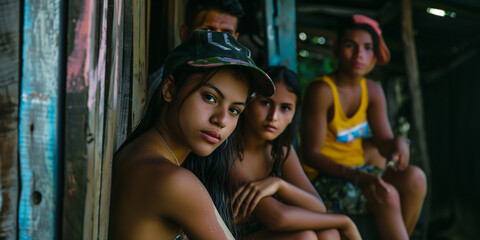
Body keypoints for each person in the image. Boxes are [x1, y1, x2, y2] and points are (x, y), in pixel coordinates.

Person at [109, 30, 275, 240]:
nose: (221, 119)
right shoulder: (175, 181)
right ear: (170, 89)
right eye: (210, 97)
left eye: (234, 110)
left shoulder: (138, 152)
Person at [300, 15, 427, 240]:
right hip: (323, 178)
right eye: (351, 45)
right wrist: (358, 177)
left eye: (368, 48)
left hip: (359, 172)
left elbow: (384, 144)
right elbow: (311, 155)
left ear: (374, 56)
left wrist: (399, 144)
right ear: (337, 50)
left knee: (415, 178)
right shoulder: (322, 91)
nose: (360, 54)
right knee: (386, 194)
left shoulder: (373, 91)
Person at [230, 66, 362, 240]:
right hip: (228, 234)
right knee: (305, 237)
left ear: (293, 115)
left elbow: (318, 207)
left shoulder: (281, 151)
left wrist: (279, 185)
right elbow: (277, 217)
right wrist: (344, 222)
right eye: (266, 103)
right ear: (247, 103)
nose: (273, 116)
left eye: (285, 108)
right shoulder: (228, 152)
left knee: (328, 232)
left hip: (261, 232)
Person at [148, 0, 245, 101]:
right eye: (207, 31)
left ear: (236, 38)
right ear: (185, 33)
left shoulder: (240, 83)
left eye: (227, 34)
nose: (217, 41)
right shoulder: (163, 81)